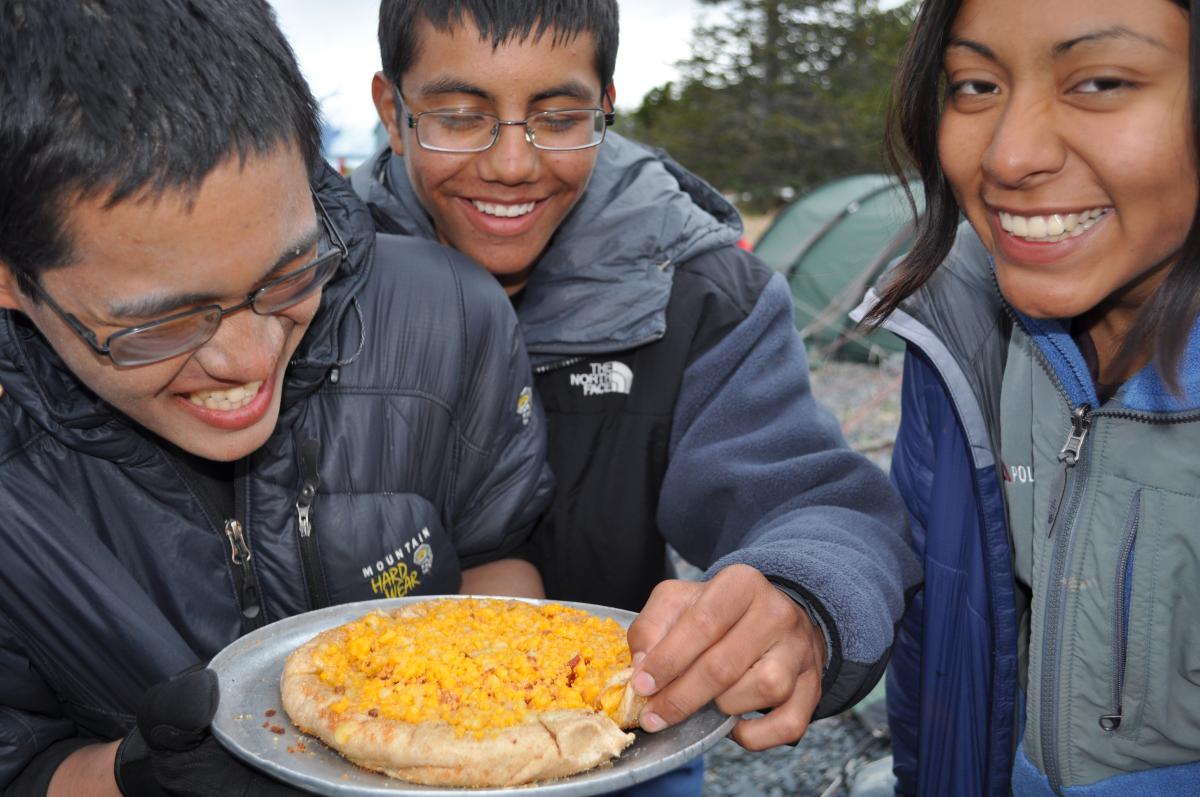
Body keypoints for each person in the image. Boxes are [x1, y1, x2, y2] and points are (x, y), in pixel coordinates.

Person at [353, 4, 920, 794]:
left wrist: (800, 596)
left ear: (607, 103)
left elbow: (813, 496)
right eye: (458, 116)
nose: (513, 163)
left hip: (617, 749)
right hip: (355, 742)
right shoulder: (296, 288)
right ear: (392, 108)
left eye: (559, 118)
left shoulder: (703, 294)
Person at [0, 1, 555, 794]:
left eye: (289, 275)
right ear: (13, 279)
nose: (249, 359)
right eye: (160, 322)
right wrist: (136, 775)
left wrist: (473, 720)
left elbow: (498, 548)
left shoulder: (453, 317)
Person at [855, 0, 1200, 794]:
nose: (1009, 156)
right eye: (975, 85)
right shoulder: (959, 334)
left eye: (1102, 81)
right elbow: (933, 634)